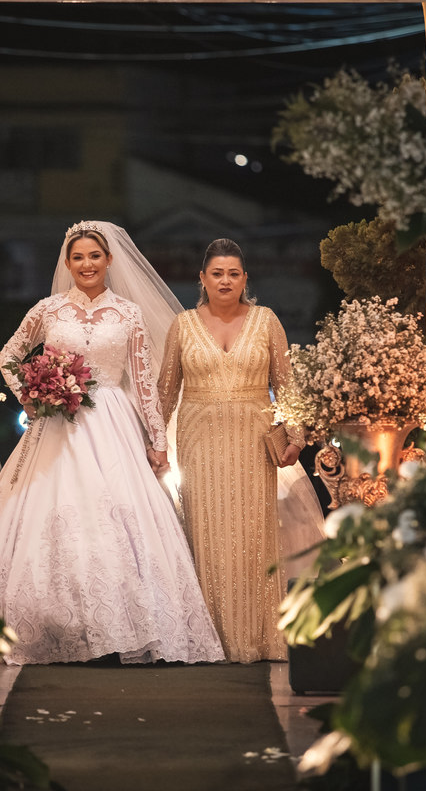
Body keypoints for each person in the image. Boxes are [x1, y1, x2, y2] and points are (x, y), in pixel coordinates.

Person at [0, 221, 224, 665]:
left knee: (121, 514)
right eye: (78, 257)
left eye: (94, 256)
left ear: (109, 261)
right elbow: (9, 355)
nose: (86, 264)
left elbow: (143, 381)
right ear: (67, 263)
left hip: (112, 421)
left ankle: (127, 627)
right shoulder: (47, 310)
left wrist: (158, 441)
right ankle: (55, 626)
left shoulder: (128, 313)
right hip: (58, 424)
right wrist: (32, 395)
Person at [158, 238, 315, 663]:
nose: (225, 280)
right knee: (205, 532)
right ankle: (207, 639)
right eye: (216, 273)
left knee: (252, 533)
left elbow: (286, 385)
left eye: (233, 273)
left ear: (245, 278)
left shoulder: (266, 321)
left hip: (252, 435)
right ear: (202, 279)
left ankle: (258, 636)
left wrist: (297, 437)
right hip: (198, 437)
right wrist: (154, 445)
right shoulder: (182, 324)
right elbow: (165, 393)